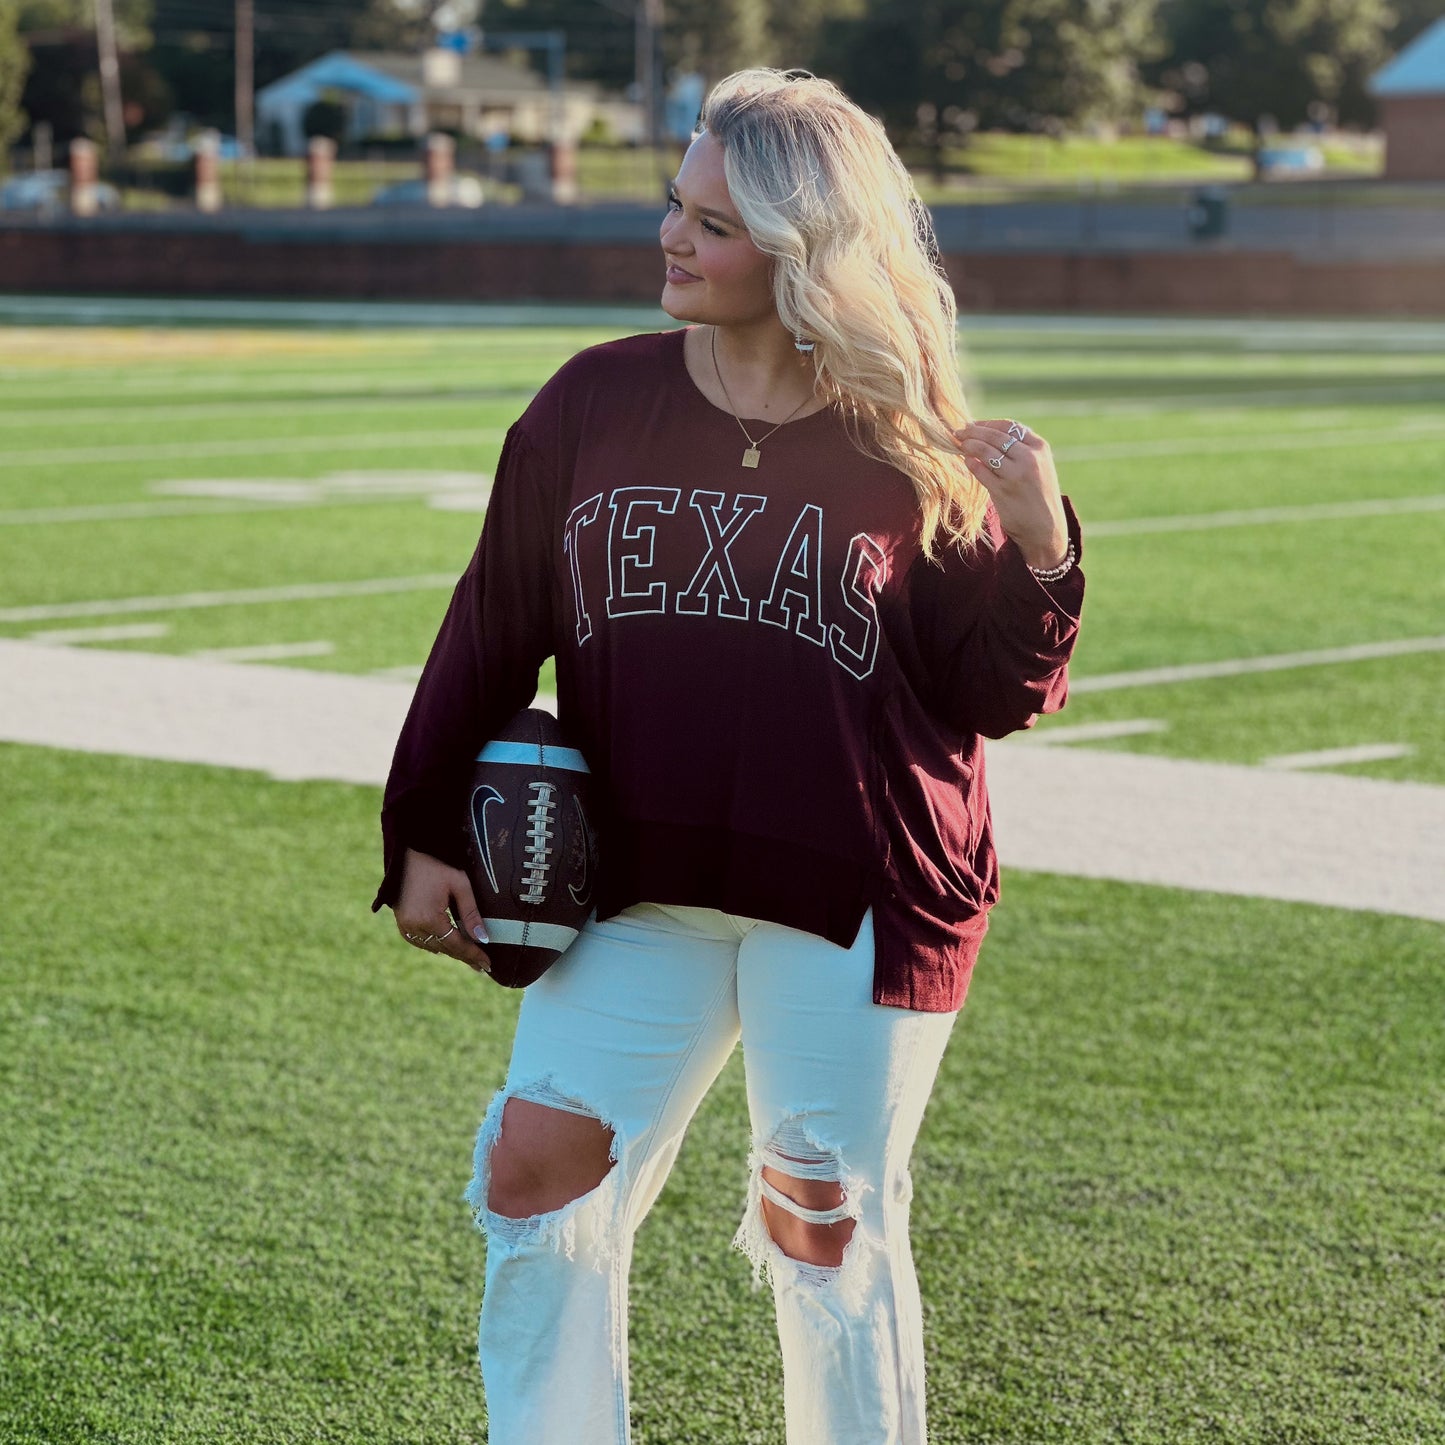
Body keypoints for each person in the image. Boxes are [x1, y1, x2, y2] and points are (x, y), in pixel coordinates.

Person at [372, 67, 1084, 1445]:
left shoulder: (905, 438)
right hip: (636, 878)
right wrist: (421, 830)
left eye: (711, 221)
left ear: (802, 248)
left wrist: (1039, 542)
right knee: (536, 1169)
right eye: (673, 206)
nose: (671, 238)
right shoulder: (590, 405)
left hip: (858, 885)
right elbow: (490, 626)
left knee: (821, 1220)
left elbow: (994, 692)